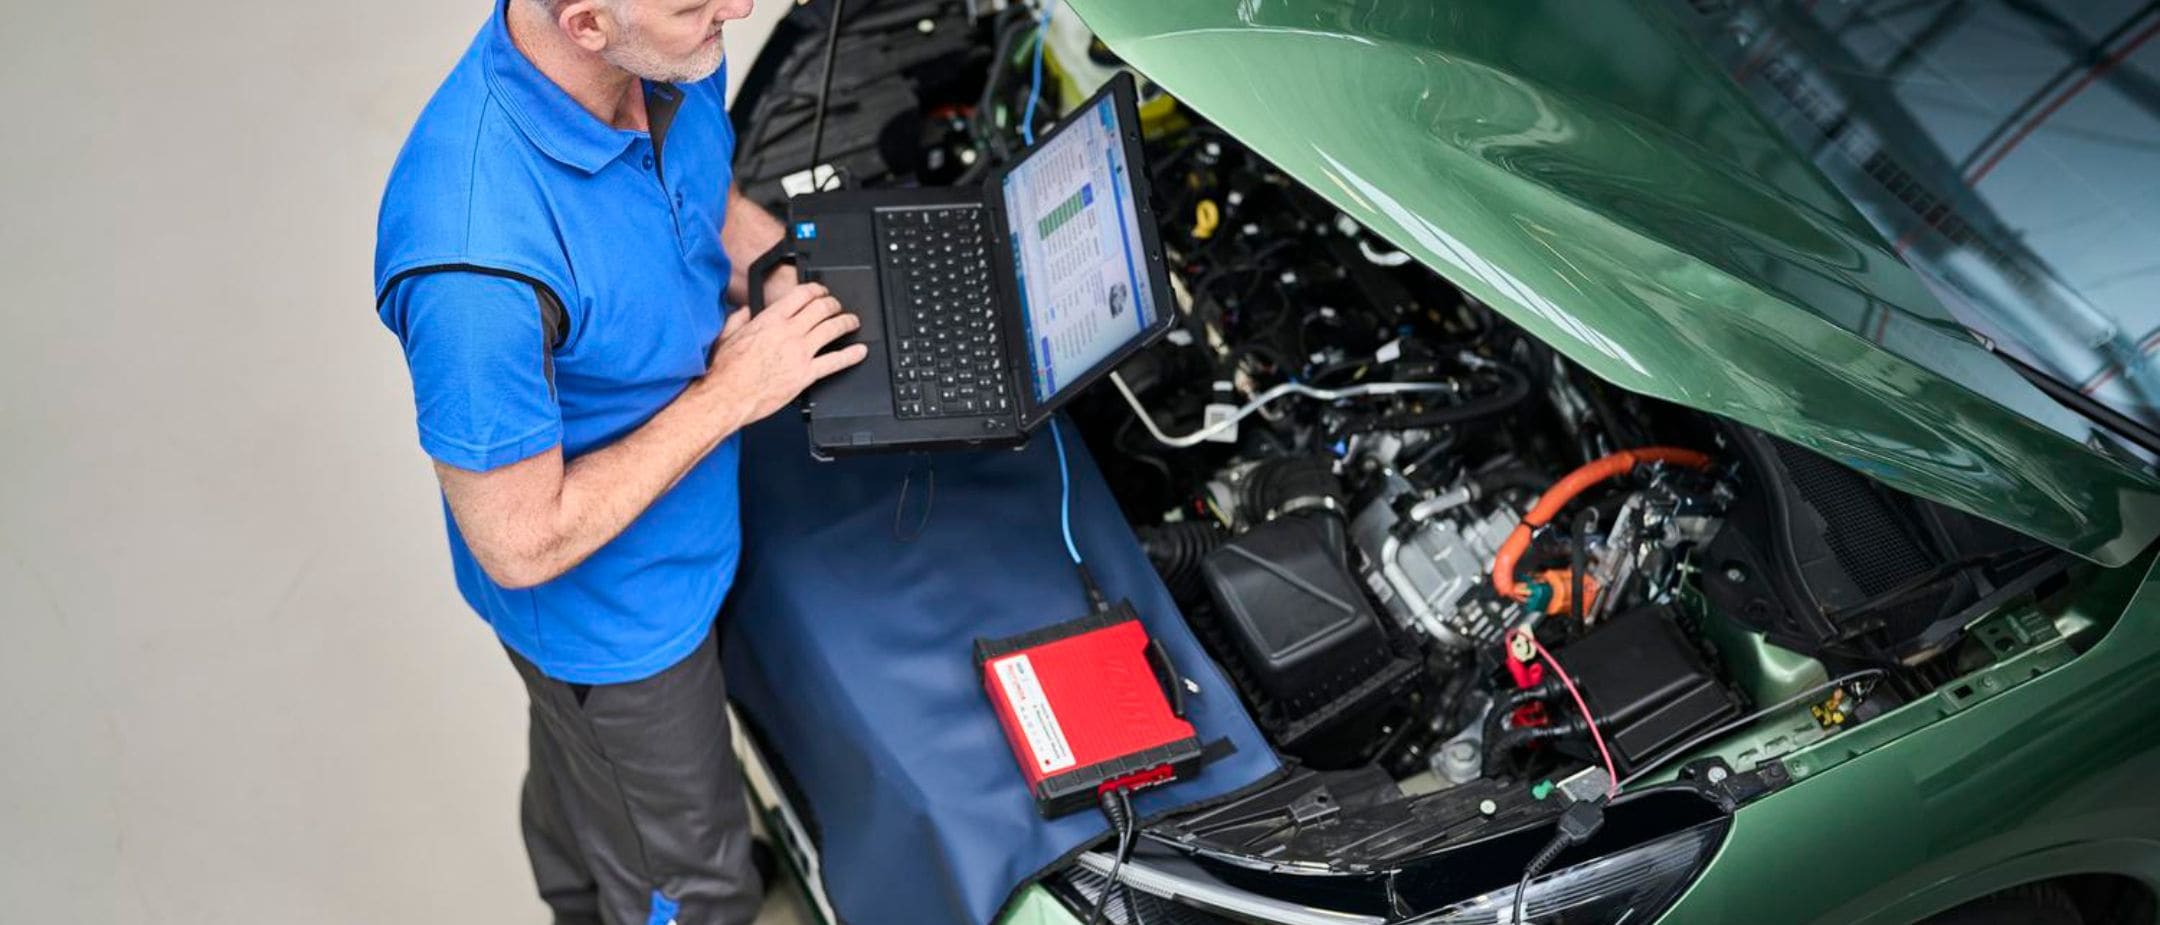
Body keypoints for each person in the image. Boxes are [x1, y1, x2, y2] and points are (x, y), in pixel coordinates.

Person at [372, 0, 864, 921]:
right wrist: (733, 394)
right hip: (622, 625)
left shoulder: (669, 52)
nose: (738, 9)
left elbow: (700, 194)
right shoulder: (474, 264)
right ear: (588, 23)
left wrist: (793, 281)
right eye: (694, 2)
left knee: (582, 790)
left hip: (689, 535)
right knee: (692, 882)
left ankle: (581, 879)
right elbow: (519, 541)